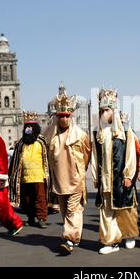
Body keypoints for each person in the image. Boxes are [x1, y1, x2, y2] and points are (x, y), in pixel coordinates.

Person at [91, 88, 139, 255]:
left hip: (120, 177)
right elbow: (95, 156)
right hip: (105, 179)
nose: (104, 113)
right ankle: (110, 241)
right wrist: (95, 176)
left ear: (114, 110)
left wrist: (128, 175)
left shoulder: (125, 132)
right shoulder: (98, 134)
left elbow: (130, 153)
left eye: (107, 110)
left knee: (125, 208)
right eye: (102, 110)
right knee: (106, 212)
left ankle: (129, 234)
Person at [45, 88, 91, 253]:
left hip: (75, 180)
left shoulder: (81, 135)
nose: (64, 118)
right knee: (65, 211)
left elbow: (86, 155)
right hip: (59, 181)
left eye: (66, 116)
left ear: (71, 116)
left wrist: (79, 173)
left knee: (72, 209)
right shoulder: (51, 135)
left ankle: (70, 239)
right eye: (61, 116)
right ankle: (74, 235)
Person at [9, 112, 49, 229]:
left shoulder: (41, 142)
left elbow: (46, 160)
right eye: (27, 127)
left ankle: (41, 218)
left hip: (39, 176)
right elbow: (15, 161)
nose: (29, 129)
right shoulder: (21, 143)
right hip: (24, 177)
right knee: (27, 199)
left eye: (31, 127)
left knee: (40, 198)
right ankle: (30, 218)